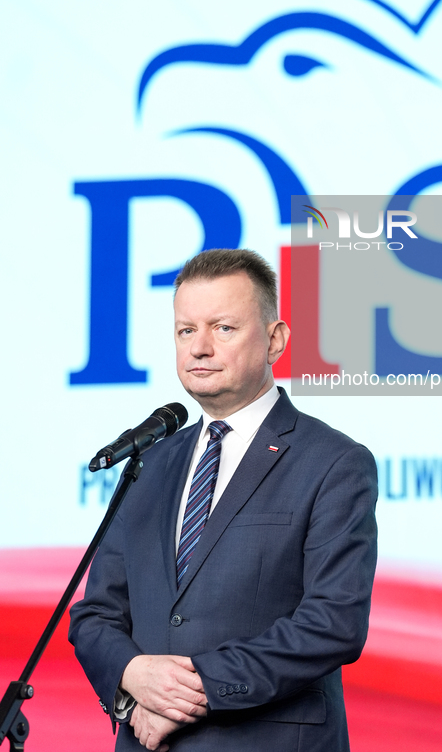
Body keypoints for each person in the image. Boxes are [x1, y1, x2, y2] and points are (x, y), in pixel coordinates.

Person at [69, 248, 378, 752]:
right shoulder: (149, 462)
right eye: (186, 331)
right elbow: (95, 614)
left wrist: (193, 693)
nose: (200, 348)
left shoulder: (334, 462)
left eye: (223, 328)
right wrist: (133, 682)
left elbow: (333, 624)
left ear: (275, 340)